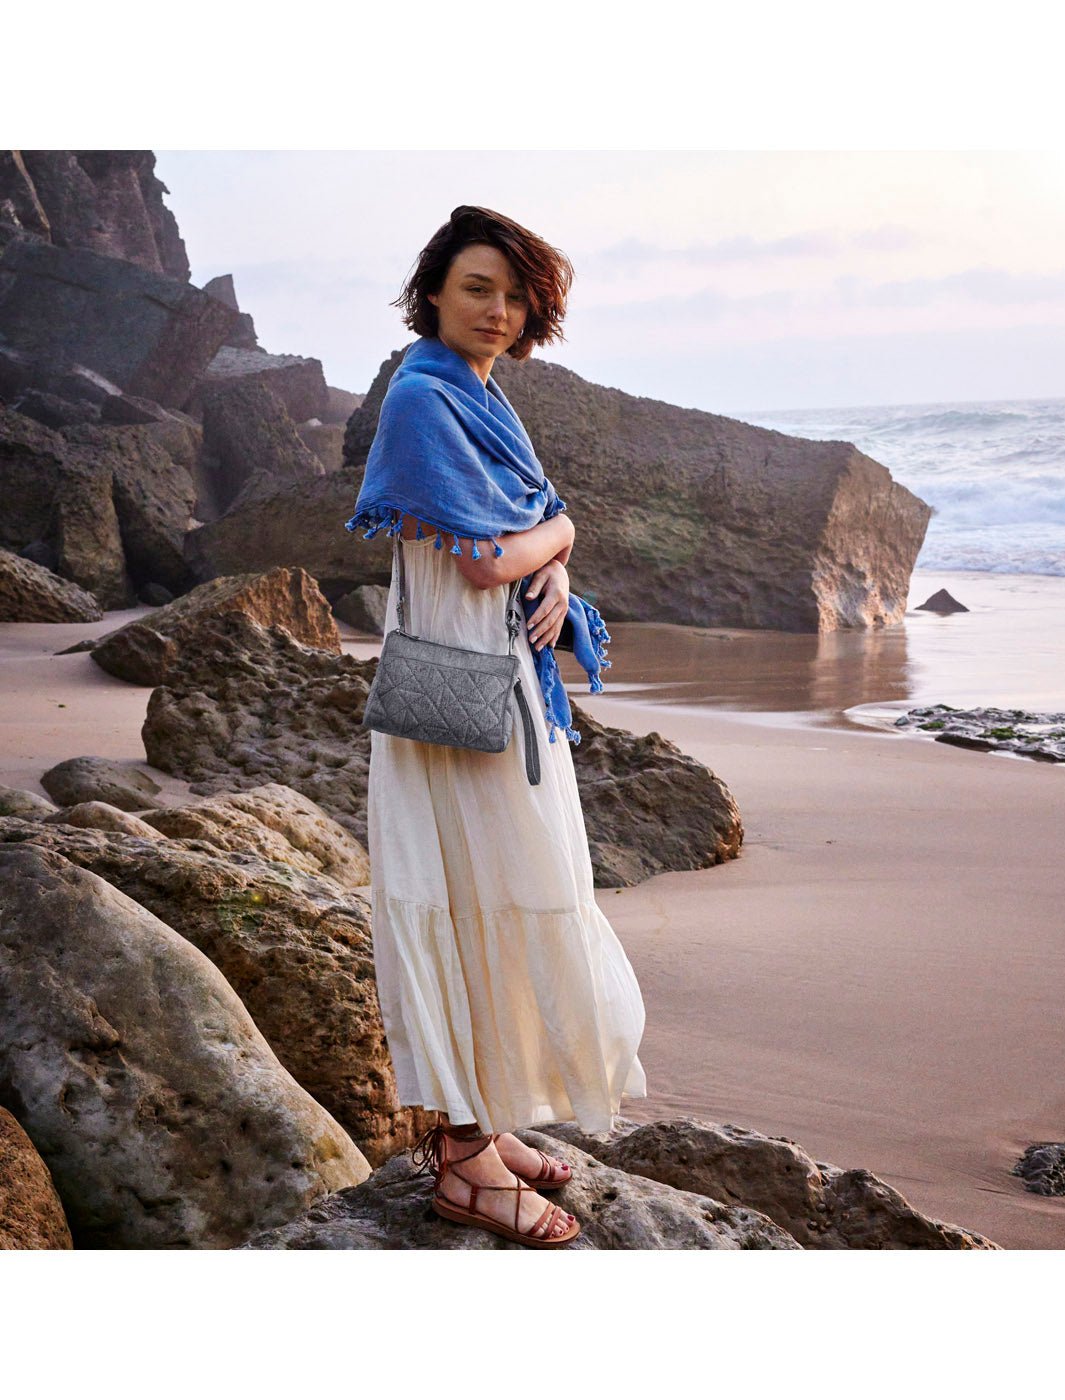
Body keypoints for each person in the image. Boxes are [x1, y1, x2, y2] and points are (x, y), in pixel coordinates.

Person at [346, 205, 646, 1248]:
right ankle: (465, 1162)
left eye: (516, 295)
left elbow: (507, 535)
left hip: (495, 675)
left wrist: (552, 556)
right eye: (479, 287)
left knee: (498, 891)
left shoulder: (477, 392)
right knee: (481, 890)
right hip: (461, 693)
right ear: (433, 289)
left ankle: (479, 1125)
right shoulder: (425, 397)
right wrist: (561, 533)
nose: (498, 309)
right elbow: (486, 555)